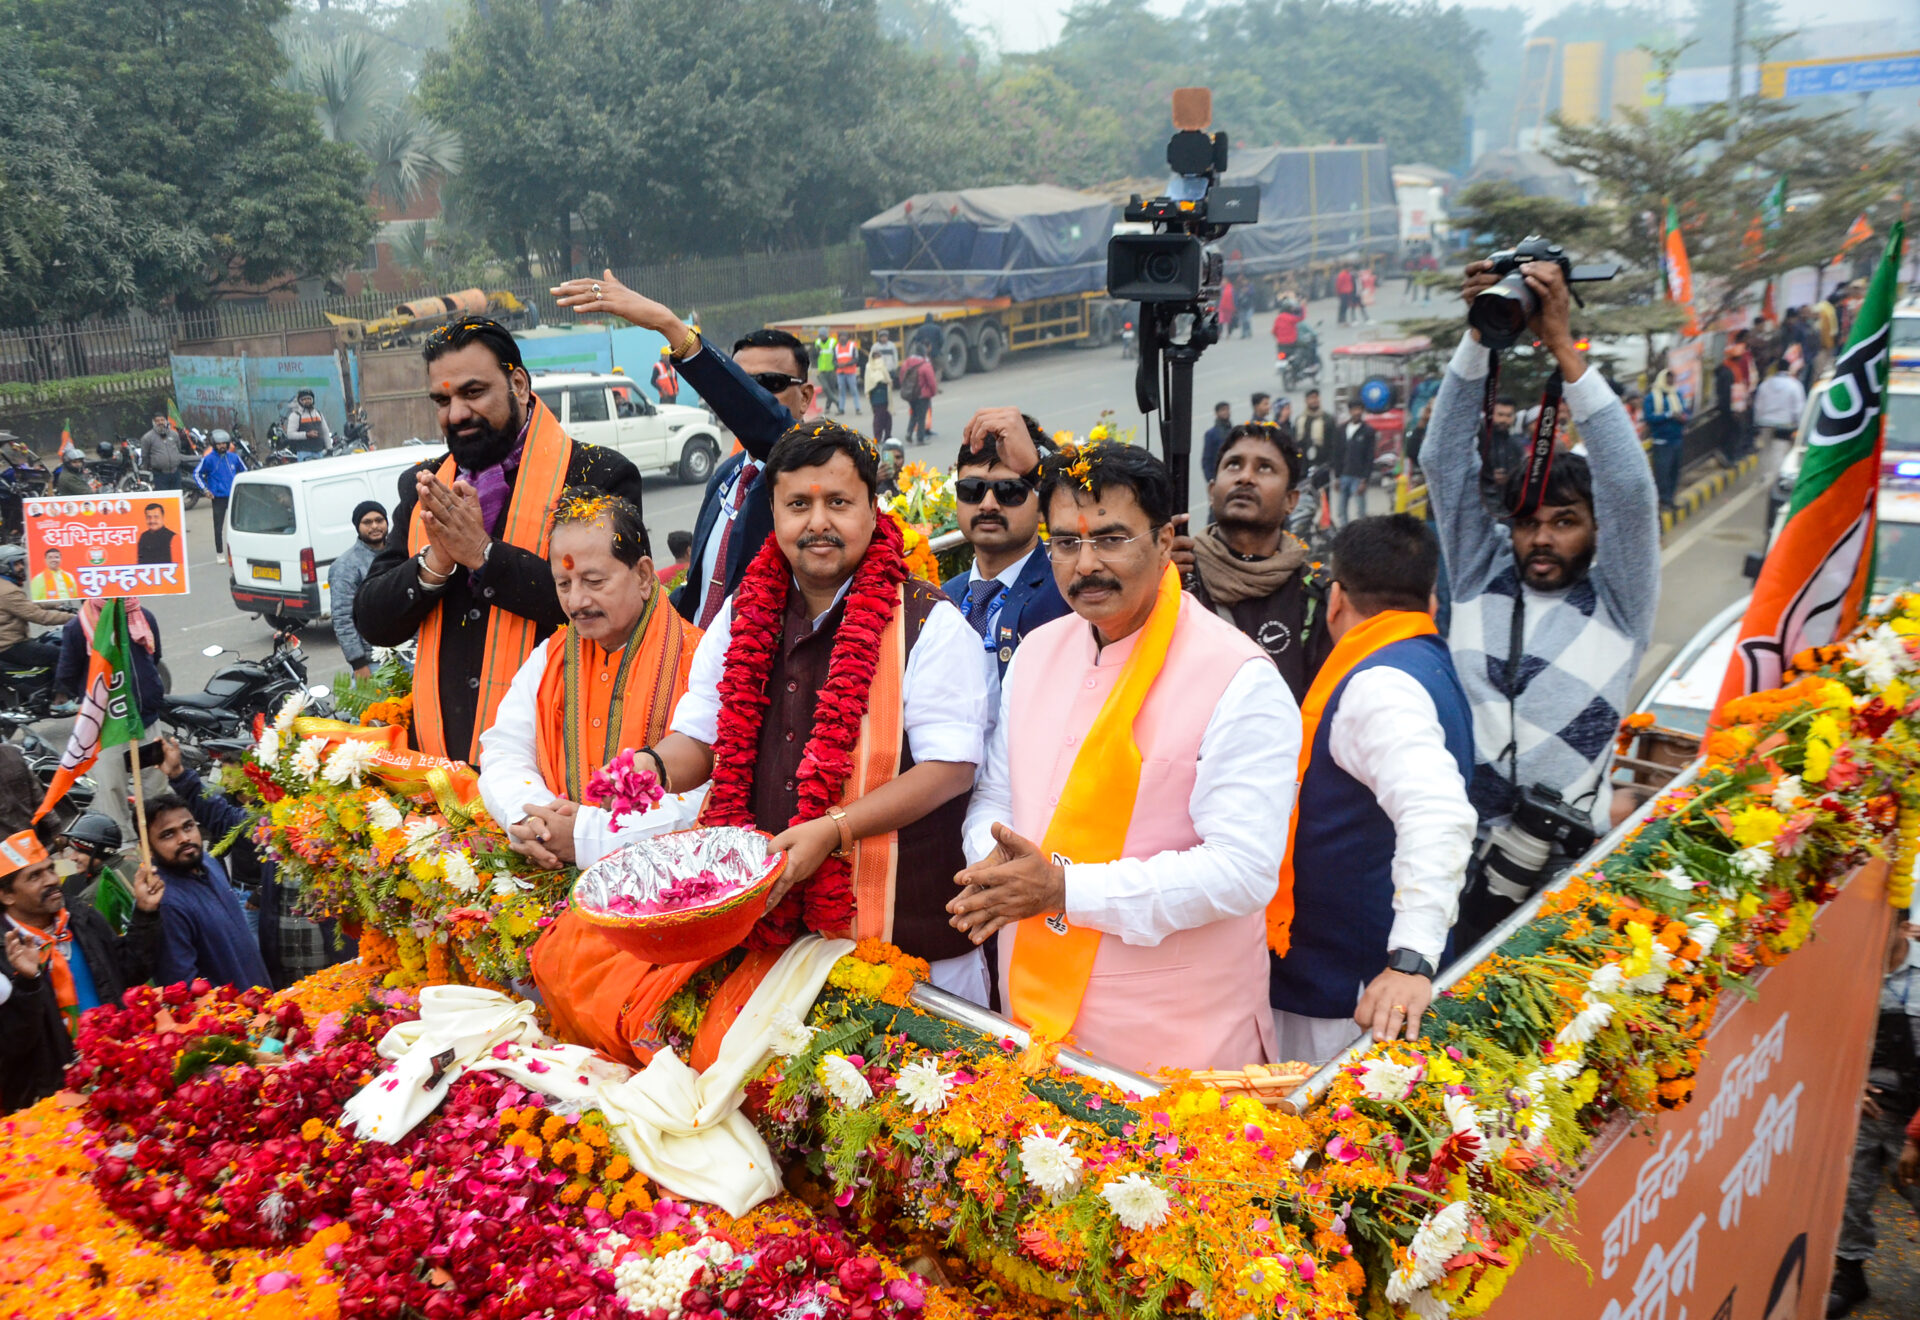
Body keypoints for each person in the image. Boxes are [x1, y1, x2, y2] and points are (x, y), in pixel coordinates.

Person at [528, 421, 989, 1063]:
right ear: (772, 512)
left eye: (838, 502)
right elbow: (702, 740)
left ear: (873, 509)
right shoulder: (744, 613)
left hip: (907, 946)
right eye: (798, 504)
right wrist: (645, 771)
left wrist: (833, 829)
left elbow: (950, 769)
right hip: (774, 936)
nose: (818, 522)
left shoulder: (930, 623)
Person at [948, 440, 1300, 1075]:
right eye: (1066, 542)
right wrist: (993, 862)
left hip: (1175, 1048)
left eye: (1110, 539)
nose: (1086, 565)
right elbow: (997, 793)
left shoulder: (1238, 677)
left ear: (1164, 541)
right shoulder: (1038, 651)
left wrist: (1063, 889)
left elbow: (1243, 871)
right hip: (1030, 1018)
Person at [1425, 258, 1661, 946]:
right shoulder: (1480, 574)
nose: (1544, 539)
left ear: (1596, 531)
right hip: (1452, 869)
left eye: (1566, 521)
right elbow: (1444, 461)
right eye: (1529, 522)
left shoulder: (1619, 603)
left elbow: (1630, 490)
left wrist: (1562, 344)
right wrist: (1479, 337)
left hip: (1566, 880)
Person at [353, 318, 646, 763]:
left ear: (519, 385)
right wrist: (436, 563)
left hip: (563, 763)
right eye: (442, 400)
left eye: (473, 392)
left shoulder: (598, 476)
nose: (456, 414)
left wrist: (484, 555)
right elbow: (374, 622)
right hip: (445, 768)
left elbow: (618, 611)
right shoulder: (425, 487)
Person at [1268, 515, 1475, 1064]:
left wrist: (1410, 959)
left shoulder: (1378, 686)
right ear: (1431, 604)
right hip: (1350, 983)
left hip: (1349, 994)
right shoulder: (1423, 659)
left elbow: (1437, 813)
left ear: (1335, 600)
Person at [548, 273, 811, 632]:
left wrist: (670, 327)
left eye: (769, 385)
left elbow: (768, 425)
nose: (752, 395)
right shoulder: (728, 473)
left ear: (806, 396)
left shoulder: (812, 467)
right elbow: (700, 590)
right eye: (740, 380)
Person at [479, 490, 704, 870]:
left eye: (593, 581)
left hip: (666, 877)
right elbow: (505, 749)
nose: (576, 602)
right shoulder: (549, 657)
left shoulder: (699, 661)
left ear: (643, 575)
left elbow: (709, 792)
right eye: (563, 584)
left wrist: (588, 837)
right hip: (551, 863)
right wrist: (533, 819)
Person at [1, 827, 163, 1112]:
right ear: (6, 896)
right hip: (56, 1103)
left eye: (50, 869)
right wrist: (28, 983)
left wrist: (145, 913)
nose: (52, 880)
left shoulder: (81, 917)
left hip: (119, 1077)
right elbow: (10, 1047)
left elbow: (129, 972)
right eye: (35, 876)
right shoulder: (4, 955)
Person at [1189, 424, 1331, 701]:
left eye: (1264, 468)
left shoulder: (1315, 599)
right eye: (1233, 465)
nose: (1245, 477)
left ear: (1291, 500)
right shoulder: (1174, 580)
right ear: (1212, 490)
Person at [946, 411, 1070, 714]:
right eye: (972, 490)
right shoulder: (941, 598)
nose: (988, 504)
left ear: (1043, 505)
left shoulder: (1072, 590)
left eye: (1010, 491)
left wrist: (1037, 470)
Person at [1828, 921, 1920, 1317]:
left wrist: (1916, 1137)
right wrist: (1852, 1082)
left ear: (1902, 926)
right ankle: (1849, 1275)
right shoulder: (1847, 969)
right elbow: (1825, 1037)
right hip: (1866, 1110)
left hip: (1915, 1115)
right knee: (1852, 1195)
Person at [148, 745, 271, 990]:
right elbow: (182, 988)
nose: (183, 838)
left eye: (188, 827)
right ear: (147, 846)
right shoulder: (165, 902)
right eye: (168, 834)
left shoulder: (209, 864)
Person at [56, 596, 166, 842]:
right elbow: (68, 675)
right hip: (106, 730)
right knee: (112, 790)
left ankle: (159, 839)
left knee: (155, 787)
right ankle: (125, 847)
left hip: (146, 722)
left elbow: (155, 656)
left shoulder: (143, 616)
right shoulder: (77, 627)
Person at [329, 500, 387, 679]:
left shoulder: (400, 554)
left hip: (410, 657)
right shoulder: (345, 566)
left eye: (379, 520)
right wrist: (358, 663)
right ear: (357, 527)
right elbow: (342, 618)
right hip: (373, 664)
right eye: (367, 522)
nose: (375, 526)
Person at [56, 812, 133, 934]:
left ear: (96, 852)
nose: (72, 857)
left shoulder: (91, 896)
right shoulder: (139, 866)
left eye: (78, 851)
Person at [0, 545, 72, 673]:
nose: (21, 567)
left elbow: (23, 606)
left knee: (49, 640)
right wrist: (75, 618)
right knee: (65, 654)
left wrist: (54, 605)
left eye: (21, 563)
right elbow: (40, 617)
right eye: (16, 564)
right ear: (4, 567)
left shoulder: (4, 586)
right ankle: (62, 687)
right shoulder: (8, 591)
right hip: (10, 646)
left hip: (8, 642)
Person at [1644, 368, 1690, 511]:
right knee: (1662, 473)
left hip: (1676, 439)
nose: (1670, 381)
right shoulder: (1652, 397)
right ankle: (1662, 501)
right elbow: (1649, 417)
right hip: (1661, 441)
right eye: (1668, 378)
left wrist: (1683, 418)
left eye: (1672, 378)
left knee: (1674, 472)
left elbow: (1685, 412)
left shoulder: (1676, 394)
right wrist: (1668, 415)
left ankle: (1670, 499)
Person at [195, 430, 247, 556]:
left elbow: (245, 471)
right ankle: (220, 553)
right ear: (214, 445)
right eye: (219, 444)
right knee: (218, 528)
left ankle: (240, 551)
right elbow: (197, 474)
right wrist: (205, 490)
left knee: (239, 525)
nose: (222, 446)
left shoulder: (234, 457)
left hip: (234, 496)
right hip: (218, 498)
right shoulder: (208, 459)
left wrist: (242, 488)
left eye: (224, 443)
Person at [1334, 402, 1378, 526]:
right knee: (1341, 510)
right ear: (1350, 411)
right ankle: (1344, 532)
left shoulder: (1368, 431)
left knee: (1360, 511)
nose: (1357, 412)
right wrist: (1337, 477)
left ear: (1362, 411)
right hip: (1344, 475)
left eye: (1359, 409)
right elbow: (1337, 454)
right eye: (1354, 409)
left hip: (1358, 477)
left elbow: (1369, 457)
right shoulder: (1341, 430)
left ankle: (1361, 534)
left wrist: (1365, 479)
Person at [1752, 358, 1807, 450]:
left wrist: (1757, 422)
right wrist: (1799, 425)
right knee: (1780, 452)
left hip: (1765, 424)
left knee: (1765, 452)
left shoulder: (1765, 384)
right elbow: (1799, 408)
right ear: (1789, 368)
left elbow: (1758, 406)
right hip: (1785, 426)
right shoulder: (1795, 385)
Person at [901, 350, 938, 446]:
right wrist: (933, 393)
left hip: (911, 394)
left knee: (914, 414)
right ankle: (920, 439)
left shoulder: (906, 363)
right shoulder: (926, 365)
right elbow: (931, 382)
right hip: (922, 395)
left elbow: (902, 378)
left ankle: (909, 433)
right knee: (921, 417)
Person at [283, 388, 332, 455]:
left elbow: (325, 432)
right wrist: (306, 434)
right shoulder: (296, 415)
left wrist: (329, 448)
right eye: (304, 399)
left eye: (309, 399)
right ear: (299, 401)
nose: (307, 401)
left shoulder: (318, 414)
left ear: (313, 400)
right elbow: (290, 435)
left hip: (319, 451)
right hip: (304, 452)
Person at [1296, 389, 1335, 472]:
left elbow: (1333, 443)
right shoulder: (1300, 420)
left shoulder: (1327, 419)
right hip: (1304, 465)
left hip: (1323, 464)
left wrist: (1331, 463)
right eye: (1312, 398)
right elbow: (1296, 442)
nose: (1314, 400)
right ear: (1306, 401)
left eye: (1316, 397)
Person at [140, 414, 183, 490]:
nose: (160, 422)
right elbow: (145, 456)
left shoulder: (174, 434)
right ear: (153, 422)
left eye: (162, 420)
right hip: (159, 475)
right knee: (163, 497)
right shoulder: (147, 437)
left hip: (175, 473)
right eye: (157, 421)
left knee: (176, 496)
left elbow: (178, 449)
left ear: (166, 421)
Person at [1200, 400, 1235, 485]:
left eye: (1227, 409)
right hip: (1218, 475)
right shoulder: (1211, 434)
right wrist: (1210, 478)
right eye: (1223, 410)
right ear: (1216, 413)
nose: (1226, 412)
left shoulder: (1234, 431)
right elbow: (1207, 458)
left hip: (1234, 473)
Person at [865, 350, 893, 444]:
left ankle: (887, 435)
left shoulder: (882, 366)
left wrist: (888, 381)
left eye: (879, 356)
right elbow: (869, 382)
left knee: (887, 416)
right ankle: (877, 437)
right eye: (876, 356)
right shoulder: (869, 367)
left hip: (885, 395)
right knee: (878, 418)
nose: (877, 358)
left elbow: (887, 379)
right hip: (876, 396)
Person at [834, 333, 864, 415]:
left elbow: (856, 359)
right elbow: (834, 360)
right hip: (840, 373)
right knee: (841, 392)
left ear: (847, 337)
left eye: (844, 336)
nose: (842, 338)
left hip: (850, 372)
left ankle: (858, 408)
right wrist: (837, 365)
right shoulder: (836, 347)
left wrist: (846, 364)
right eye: (841, 336)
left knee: (854, 391)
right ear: (839, 338)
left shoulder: (852, 346)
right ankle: (841, 409)